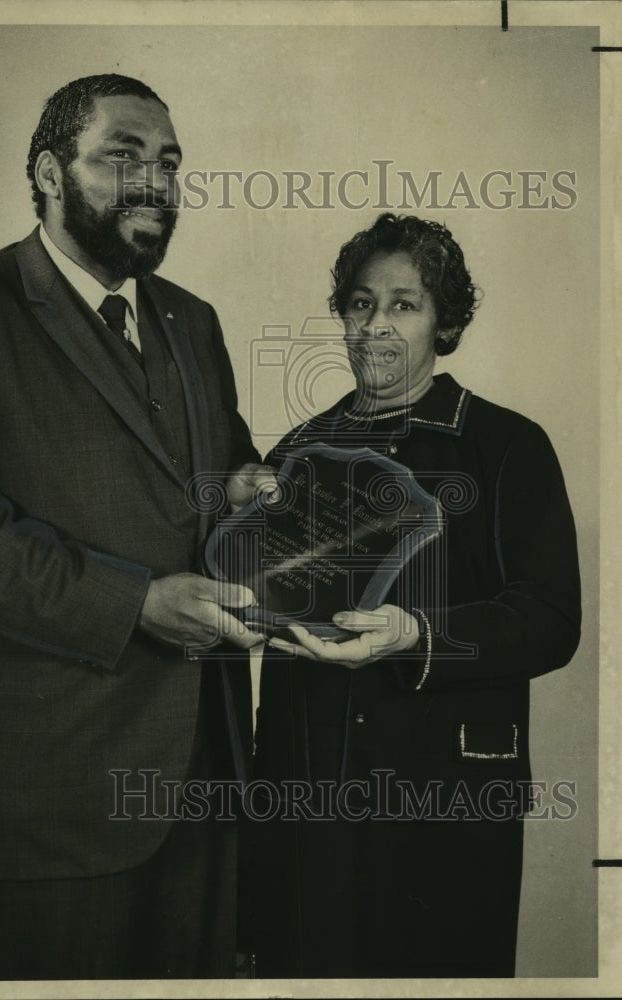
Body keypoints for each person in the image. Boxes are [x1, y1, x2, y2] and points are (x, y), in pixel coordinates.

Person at [0, 73, 269, 981]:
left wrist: (252, 487)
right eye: (121, 157)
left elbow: (217, 474)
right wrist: (135, 603)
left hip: (207, 779)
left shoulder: (191, 320)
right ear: (49, 173)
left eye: (168, 163)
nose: (154, 183)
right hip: (49, 797)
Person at [248, 212, 581, 978]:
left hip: (447, 806)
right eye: (360, 303)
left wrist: (414, 635)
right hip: (314, 807)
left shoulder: (505, 446)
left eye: (403, 304)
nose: (375, 325)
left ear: (444, 321)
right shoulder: (295, 453)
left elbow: (549, 620)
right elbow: (268, 628)